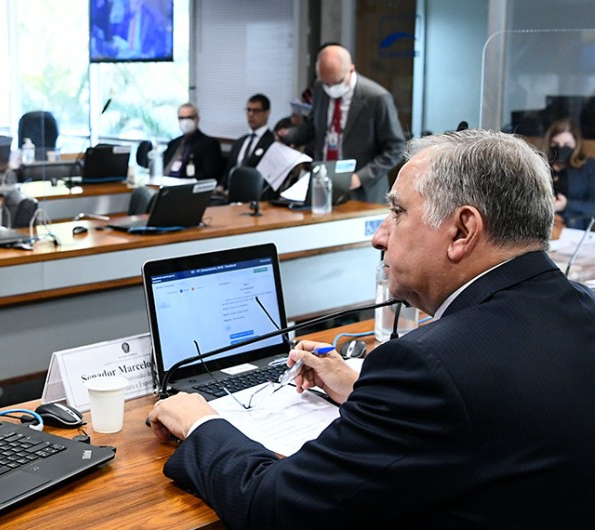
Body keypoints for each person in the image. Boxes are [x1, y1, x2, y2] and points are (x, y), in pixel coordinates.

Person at [149, 129, 595, 528]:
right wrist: (365, 392)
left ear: (463, 231)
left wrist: (200, 423)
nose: (379, 237)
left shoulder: (428, 367)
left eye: (398, 212)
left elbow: (274, 507)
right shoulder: (583, 307)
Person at [281, 43, 405, 204]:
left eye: (336, 82)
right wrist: (289, 135)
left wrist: (360, 177)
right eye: (326, 83)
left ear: (351, 69)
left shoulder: (377, 98)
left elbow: (396, 148)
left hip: (360, 191)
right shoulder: (320, 87)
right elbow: (314, 126)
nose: (330, 88)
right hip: (322, 182)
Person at [542, 118, 595, 229]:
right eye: (556, 144)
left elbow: (592, 206)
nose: (561, 148)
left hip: (574, 226)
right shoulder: (542, 165)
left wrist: (567, 204)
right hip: (542, 223)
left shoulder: (588, 167)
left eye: (567, 144)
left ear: (576, 144)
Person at [219, 94, 276, 191]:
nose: (251, 114)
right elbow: (229, 170)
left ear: (267, 112)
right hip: (229, 193)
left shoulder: (272, 142)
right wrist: (221, 186)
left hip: (254, 193)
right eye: (248, 110)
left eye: (256, 111)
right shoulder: (240, 142)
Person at [162, 103, 222, 181]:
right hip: (164, 182)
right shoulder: (173, 143)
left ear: (197, 119)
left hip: (186, 185)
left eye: (189, 118)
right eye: (181, 118)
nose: (185, 122)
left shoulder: (209, 144)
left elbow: (209, 174)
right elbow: (163, 166)